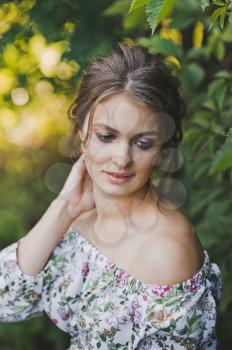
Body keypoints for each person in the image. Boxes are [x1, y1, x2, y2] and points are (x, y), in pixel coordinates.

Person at [0, 44, 222, 349]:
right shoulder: (79, 216)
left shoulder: (167, 250)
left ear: (163, 149)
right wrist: (62, 208)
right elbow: (5, 300)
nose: (122, 158)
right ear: (81, 133)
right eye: (107, 136)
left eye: (142, 143)